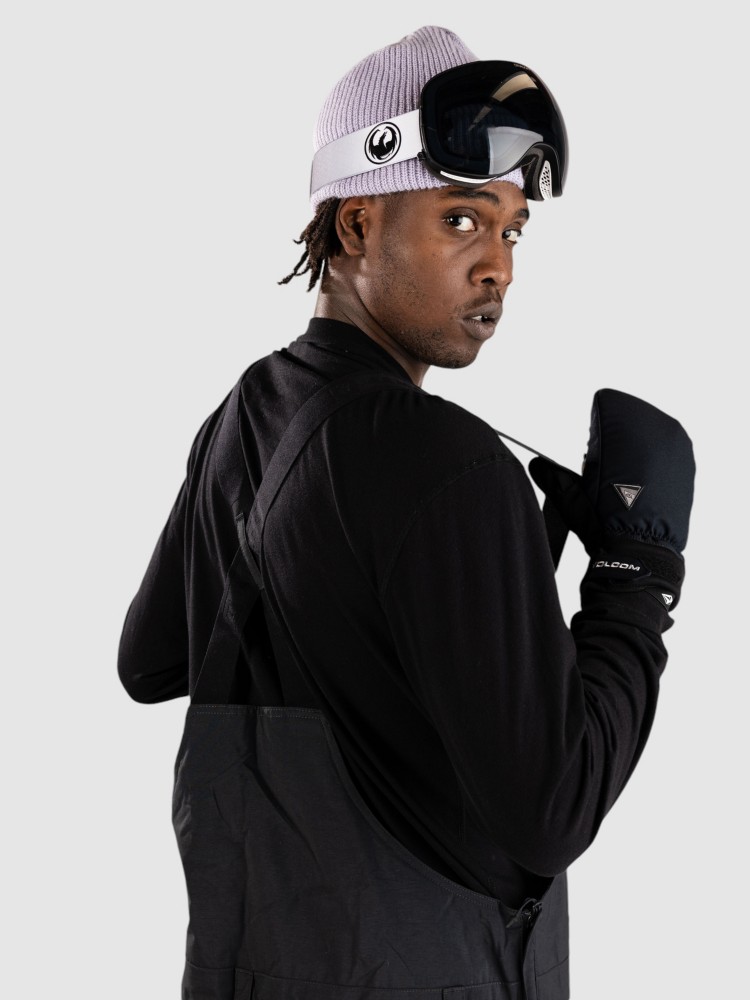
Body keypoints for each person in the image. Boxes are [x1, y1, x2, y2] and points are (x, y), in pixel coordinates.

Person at [117, 25, 694, 1000]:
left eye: (512, 230)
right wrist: (636, 580)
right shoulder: (450, 463)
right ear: (355, 226)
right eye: (462, 219)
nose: (499, 266)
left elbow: (153, 662)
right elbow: (553, 812)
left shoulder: (248, 411)